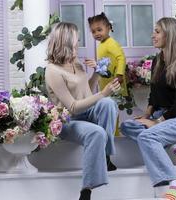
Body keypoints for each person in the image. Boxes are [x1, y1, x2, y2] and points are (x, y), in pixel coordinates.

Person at [120, 17, 176, 200]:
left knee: (146, 135)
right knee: (127, 127)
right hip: (160, 115)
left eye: (157, 31)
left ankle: (174, 183)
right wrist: (146, 115)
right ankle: (174, 144)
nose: (153, 35)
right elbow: (154, 94)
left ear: (169, 35)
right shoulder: (157, 61)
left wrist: (155, 122)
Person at [45, 22, 120, 200]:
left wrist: (97, 73)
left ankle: (106, 156)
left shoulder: (75, 63)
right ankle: (86, 190)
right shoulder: (52, 70)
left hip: (85, 113)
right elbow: (72, 106)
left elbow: (86, 91)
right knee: (96, 132)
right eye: (76, 40)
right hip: (67, 120)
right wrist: (102, 93)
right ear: (66, 42)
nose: (78, 43)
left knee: (108, 103)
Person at [86, 12, 127, 136]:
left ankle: (114, 135)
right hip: (106, 83)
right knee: (108, 109)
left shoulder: (111, 43)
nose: (96, 34)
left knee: (112, 109)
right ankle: (111, 133)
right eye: (93, 31)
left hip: (115, 82)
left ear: (108, 28)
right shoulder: (102, 45)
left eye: (99, 30)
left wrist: (119, 75)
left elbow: (121, 57)